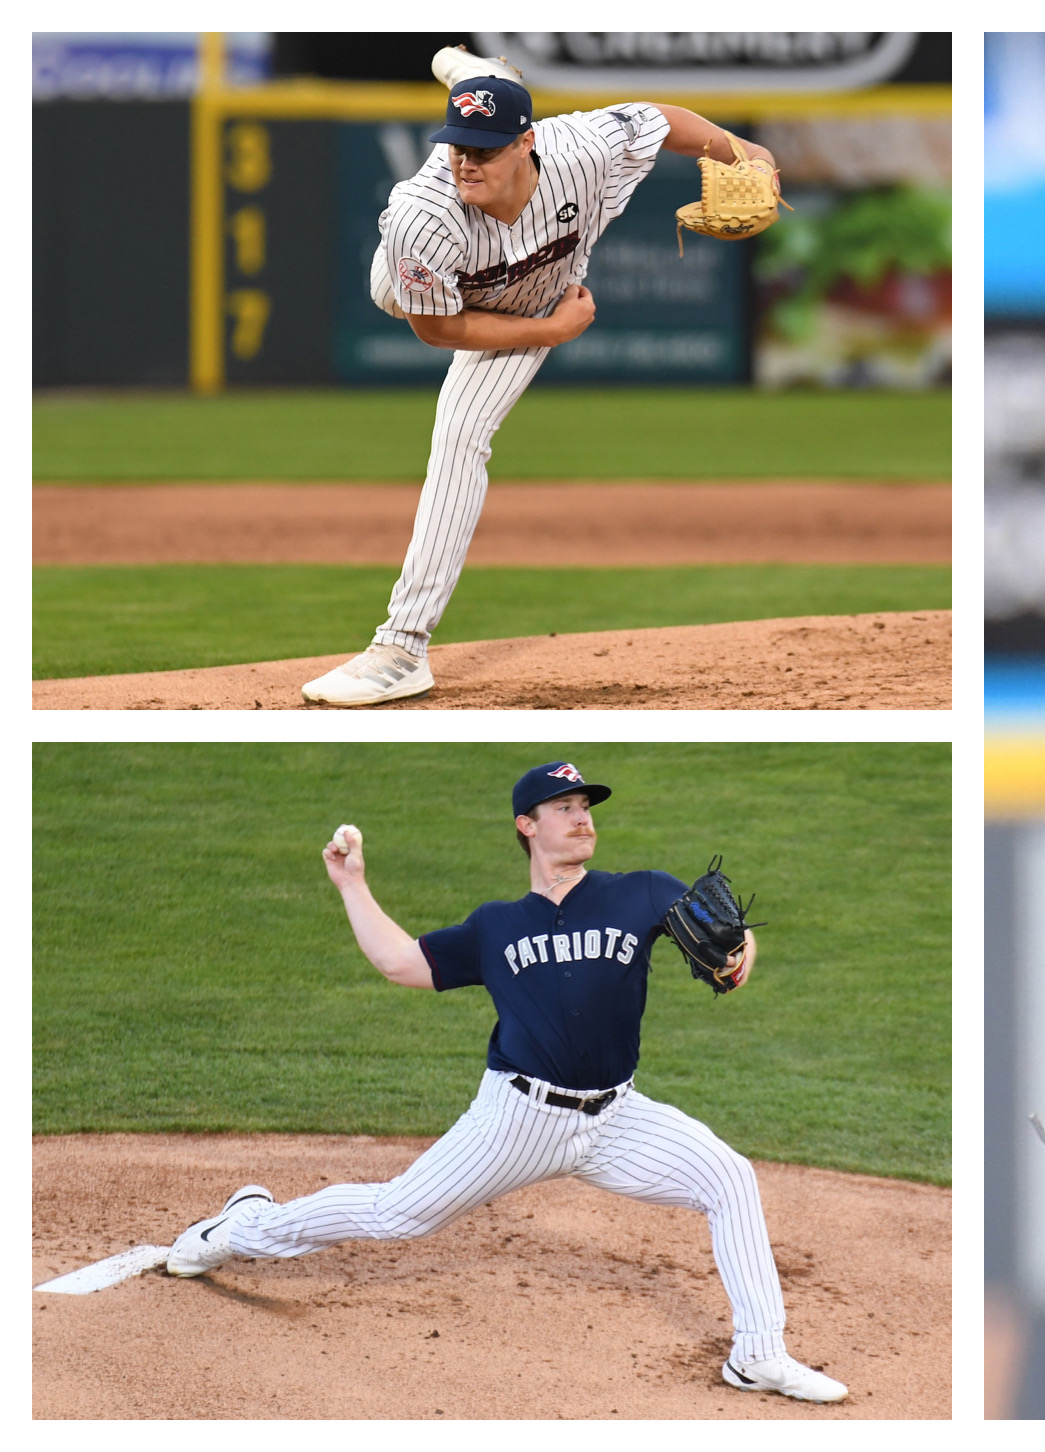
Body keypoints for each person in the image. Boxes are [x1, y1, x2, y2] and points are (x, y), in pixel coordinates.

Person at [164, 760, 847, 1404]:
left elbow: (727, 934)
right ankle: (241, 1228)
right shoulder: (497, 926)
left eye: (586, 807)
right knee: (396, 1214)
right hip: (517, 1120)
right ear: (527, 824)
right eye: (565, 808)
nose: (582, 819)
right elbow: (403, 963)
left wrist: (738, 954)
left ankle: (757, 1355)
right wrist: (353, 884)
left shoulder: (640, 891)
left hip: (615, 1119)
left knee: (728, 1176)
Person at [301, 59, 780, 705]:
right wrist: (552, 333)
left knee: (461, 436)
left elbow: (662, 120)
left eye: (485, 148)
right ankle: (485, 76)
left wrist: (747, 151)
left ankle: (401, 647)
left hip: (531, 297)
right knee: (405, 313)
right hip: (440, 296)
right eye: (457, 147)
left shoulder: (579, 149)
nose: (467, 163)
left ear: (527, 141)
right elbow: (440, 332)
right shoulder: (426, 213)